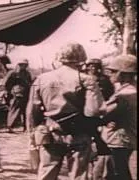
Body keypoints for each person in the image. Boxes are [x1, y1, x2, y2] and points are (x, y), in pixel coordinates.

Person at [26, 43, 105, 180]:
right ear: (81, 57)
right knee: (79, 175)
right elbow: (93, 111)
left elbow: (32, 110)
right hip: (79, 133)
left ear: (60, 57)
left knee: (47, 173)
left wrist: (33, 132)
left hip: (51, 132)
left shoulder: (42, 79)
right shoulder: (87, 80)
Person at [93, 54, 137, 180]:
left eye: (113, 71)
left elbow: (103, 114)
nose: (109, 74)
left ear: (124, 74)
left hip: (119, 140)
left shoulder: (125, 94)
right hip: (125, 138)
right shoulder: (130, 90)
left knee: (118, 173)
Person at [1, 59, 35, 132]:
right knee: (14, 110)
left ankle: (26, 127)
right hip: (16, 94)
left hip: (26, 94)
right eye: (22, 64)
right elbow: (4, 83)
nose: (24, 66)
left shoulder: (27, 73)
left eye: (26, 65)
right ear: (18, 64)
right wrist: (4, 91)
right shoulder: (12, 73)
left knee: (26, 111)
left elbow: (30, 82)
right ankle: (10, 126)